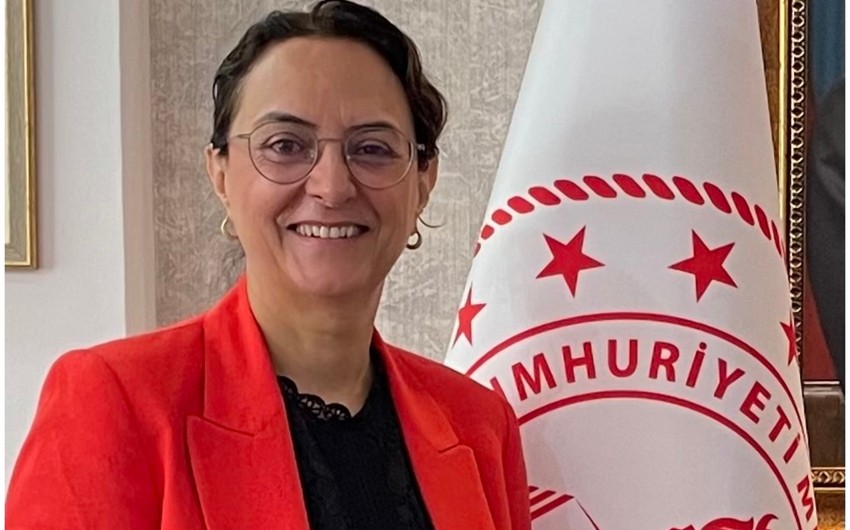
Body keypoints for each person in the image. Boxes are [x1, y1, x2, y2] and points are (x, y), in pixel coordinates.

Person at [5, 2, 532, 529]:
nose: (332, 186)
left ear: (423, 181)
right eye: (285, 145)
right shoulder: (114, 401)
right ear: (220, 173)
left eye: (372, 148)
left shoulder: (481, 426)